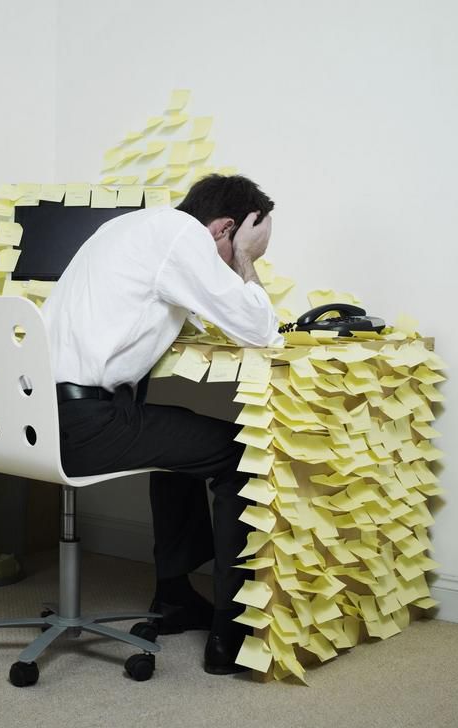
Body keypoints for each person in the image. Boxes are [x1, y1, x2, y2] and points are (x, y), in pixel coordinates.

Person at [42, 174, 282, 674]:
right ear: (226, 228)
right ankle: (230, 632)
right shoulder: (183, 236)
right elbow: (260, 330)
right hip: (86, 422)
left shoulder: (131, 228)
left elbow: (191, 313)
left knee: (175, 443)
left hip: (42, 417)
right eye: (240, 241)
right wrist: (246, 260)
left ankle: (174, 596)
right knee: (238, 455)